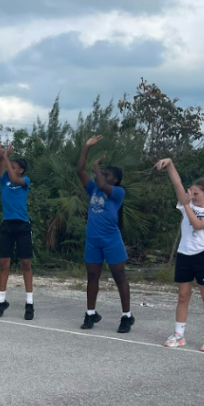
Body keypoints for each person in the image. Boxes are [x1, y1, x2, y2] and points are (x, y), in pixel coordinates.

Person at [155, 159, 204, 352]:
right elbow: (177, 183)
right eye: (190, 193)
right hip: (184, 255)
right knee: (183, 295)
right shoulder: (187, 204)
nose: (192, 196)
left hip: (202, 256)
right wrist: (169, 164)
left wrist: (187, 205)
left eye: (196, 193)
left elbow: (198, 225)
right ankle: (179, 334)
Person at [75, 135, 134, 333]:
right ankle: (91, 313)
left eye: (108, 174)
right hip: (93, 240)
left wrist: (96, 166)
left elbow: (102, 184)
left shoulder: (118, 192)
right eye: (103, 173)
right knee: (92, 276)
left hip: (111, 240)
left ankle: (127, 316)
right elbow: (80, 170)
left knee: (119, 276)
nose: (103, 176)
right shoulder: (92, 189)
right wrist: (86, 147)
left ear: (115, 180)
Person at [0, 124, 35, 320]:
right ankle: (1, 300)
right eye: (9, 167)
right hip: (7, 224)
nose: (9, 169)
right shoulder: (3, 179)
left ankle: (30, 303)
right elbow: (0, 157)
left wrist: (7, 157)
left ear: (21, 170)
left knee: (25, 263)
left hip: (22, 225)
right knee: (4, 263)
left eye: (14, 167)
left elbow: (15, 179)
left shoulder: (25, 181)